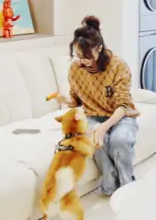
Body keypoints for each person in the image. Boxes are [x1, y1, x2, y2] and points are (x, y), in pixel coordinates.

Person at [55, 16, 139, 196]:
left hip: (121, 116)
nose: (82, 61)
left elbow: (123, 105)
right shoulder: (75, 68)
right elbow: (77, 101)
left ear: (99, 49)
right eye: (78, 56)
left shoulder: (118, 66)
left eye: (86, 57)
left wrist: (104, 127)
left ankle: (128, 186)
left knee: (119, 140)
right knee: (97, 140)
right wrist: (66, 101)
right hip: (92, 116)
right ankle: (110, 184)